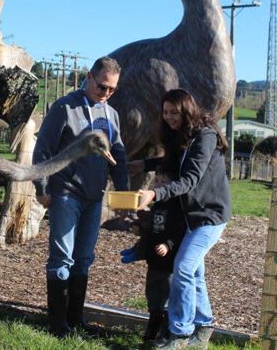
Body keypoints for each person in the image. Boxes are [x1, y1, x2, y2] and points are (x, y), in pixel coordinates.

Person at [33, 56, 129, 337]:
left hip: (94, 197)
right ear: (88, 77)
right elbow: (43, 151)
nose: (106, 94)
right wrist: (41, 189)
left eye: (112, 90)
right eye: (102, 87)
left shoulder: (111, 115)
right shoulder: (64, 108)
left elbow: (119, 156)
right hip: (65, 194)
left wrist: (123, 193)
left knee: (84, 258)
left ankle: (75, 320)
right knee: (61, 259)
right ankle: (57, 325)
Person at [135, 89, 231, 349]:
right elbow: (171, 162)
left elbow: (189, 180)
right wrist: (141, 165)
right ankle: (204, 327)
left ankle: (180, 334)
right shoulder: (185, 137)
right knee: (195, 272)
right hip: (193, 216)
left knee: (184, 268)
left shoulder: (205, 136)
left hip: (211, 215)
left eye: (174, 112)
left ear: (187, 110)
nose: (168, 117)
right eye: (165, 112)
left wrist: (155, 193)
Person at [120, 166, 186, 343]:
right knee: (153, 297)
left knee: (167, 297)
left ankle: (165, 332)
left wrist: (168, 245)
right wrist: (139, 226)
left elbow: (179, 232)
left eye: (164, 182)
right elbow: (151, 228)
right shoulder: (157, 205)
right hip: (154, 263)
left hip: (168, 264)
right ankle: (152, 327)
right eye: (156, 181)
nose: (158, 185)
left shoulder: (177, 207)